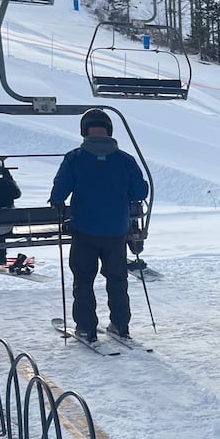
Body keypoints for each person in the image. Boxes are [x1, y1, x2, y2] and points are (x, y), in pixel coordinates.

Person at [49, 108, 149, 341]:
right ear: (109, 130)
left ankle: (86, 327)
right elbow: (140, 192)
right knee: (117, 278)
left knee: (83, 279)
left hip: (84, 230)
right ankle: (120, 325)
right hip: (116, 232)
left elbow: (59, 191)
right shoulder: (125, 160)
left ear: (84, 130)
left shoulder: (74, 158)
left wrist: (57, 202)